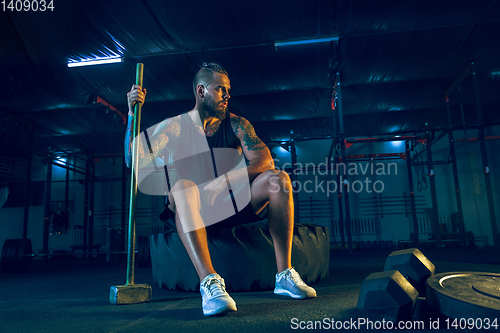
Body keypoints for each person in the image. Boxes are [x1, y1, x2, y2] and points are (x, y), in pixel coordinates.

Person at [125, 63, 316, 316]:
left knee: (278, 179)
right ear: (201, 91)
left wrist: (225, 180)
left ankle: (284, 274)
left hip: (229, 203)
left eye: (228, 90)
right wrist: (131, 114)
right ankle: (209, 282)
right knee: (183, 188)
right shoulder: (174, 127)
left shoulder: (237, 125)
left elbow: (265, 162)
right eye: (220, 89)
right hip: (192, 208)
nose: (227, 95)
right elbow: (133, 160)